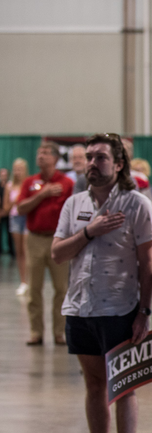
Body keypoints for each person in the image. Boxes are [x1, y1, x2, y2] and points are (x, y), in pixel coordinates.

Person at [52, 133, 152, 433]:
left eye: (100, 157)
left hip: (119, 308)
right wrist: (89, 232)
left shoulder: (137, 204)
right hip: (81, 308)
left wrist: (144, 312)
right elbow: (57, 253)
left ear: (119, 163)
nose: (92, 164)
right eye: (88, 157)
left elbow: (149, 266)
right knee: (94, 384)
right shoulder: (74, 204)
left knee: (123, 386)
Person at [18, 142, 74, 346]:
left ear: (55, 158)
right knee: (34, 288)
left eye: (45, 153)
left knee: (61, 288)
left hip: (58, 239)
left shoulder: (66, 183)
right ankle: (36, 332)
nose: (40, 157)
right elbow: (21, 208)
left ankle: (59, 333)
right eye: (38, 153)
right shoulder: (30, 182)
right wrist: (42, 194)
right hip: (34, 239)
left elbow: (71, 212)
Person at [4, 158, 30, 294]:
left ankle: (30, 280)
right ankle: (23, 281)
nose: (17, 172)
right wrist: (16, 200)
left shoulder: (29, 183)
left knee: (27, 250)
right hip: (15, 218)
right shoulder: (9, 186)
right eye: (15, 169)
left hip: (27, 218)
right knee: (19, 251)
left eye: (20, 169)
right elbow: (6, 207)